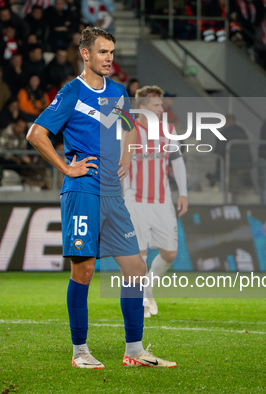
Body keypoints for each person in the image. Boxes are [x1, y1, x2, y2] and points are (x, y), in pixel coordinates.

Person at [26, 26, 176, 369]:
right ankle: (80, 351)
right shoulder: (71, 92)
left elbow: (128, 127)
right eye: (103, 52)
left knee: (136, 270)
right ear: (86, 54)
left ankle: (135, 352)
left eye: (112, 52)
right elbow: (36, 134)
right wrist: (66, 167)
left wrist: (126, 155)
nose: (109, 58)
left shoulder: (119, 92)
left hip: (113, 194)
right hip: (83, 192)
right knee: (85, 271)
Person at [123, 86, 188, 318]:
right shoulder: (129, 130)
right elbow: (119, 165)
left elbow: (177, 162)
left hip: (162, 201)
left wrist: (183, 193)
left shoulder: (168, 129)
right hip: (135, 200)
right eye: (156, 105)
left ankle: (147, 287)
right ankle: (140, 300)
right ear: (143, 108)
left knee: (170, 253)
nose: (162, 109)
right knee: (139, 256)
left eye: (161, 105)